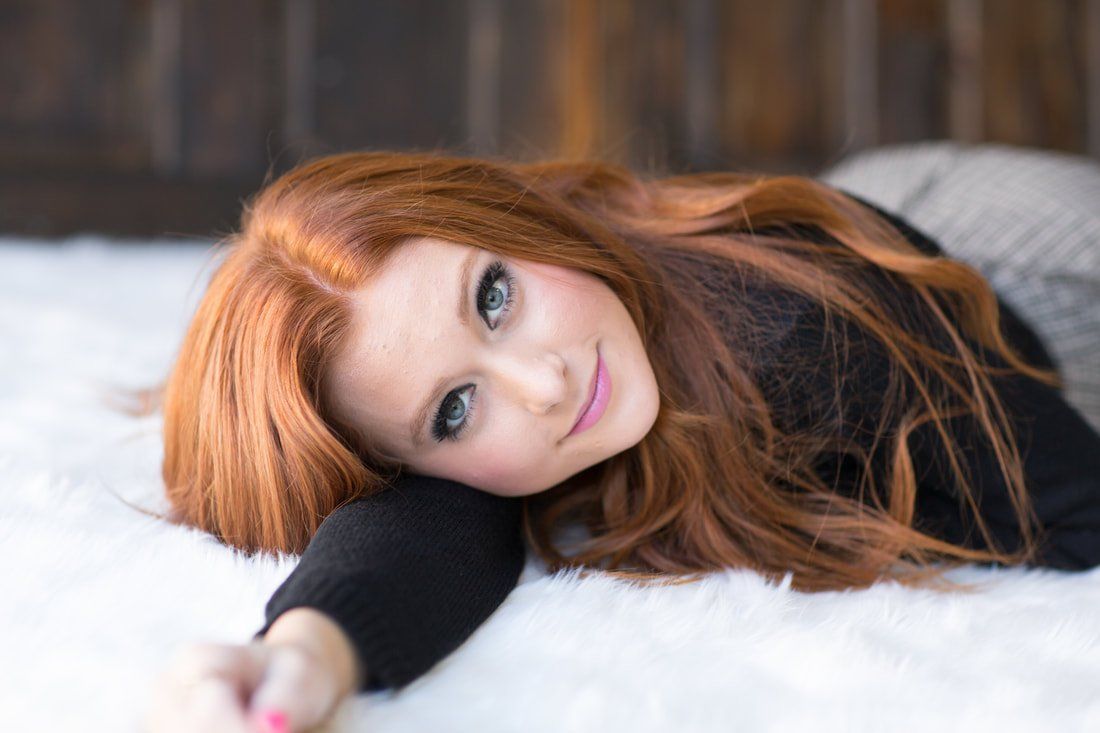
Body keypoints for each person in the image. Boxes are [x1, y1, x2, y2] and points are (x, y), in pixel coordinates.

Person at [143, 148, 1100, 733]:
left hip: (1041, 262)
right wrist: (309, 646)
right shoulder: (511, 425)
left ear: (514, 224)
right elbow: (432, 526)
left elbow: (1078, 510)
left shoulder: (804, 335)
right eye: (454, 409)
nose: (545, 383)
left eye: (494, 295)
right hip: (842, 211)